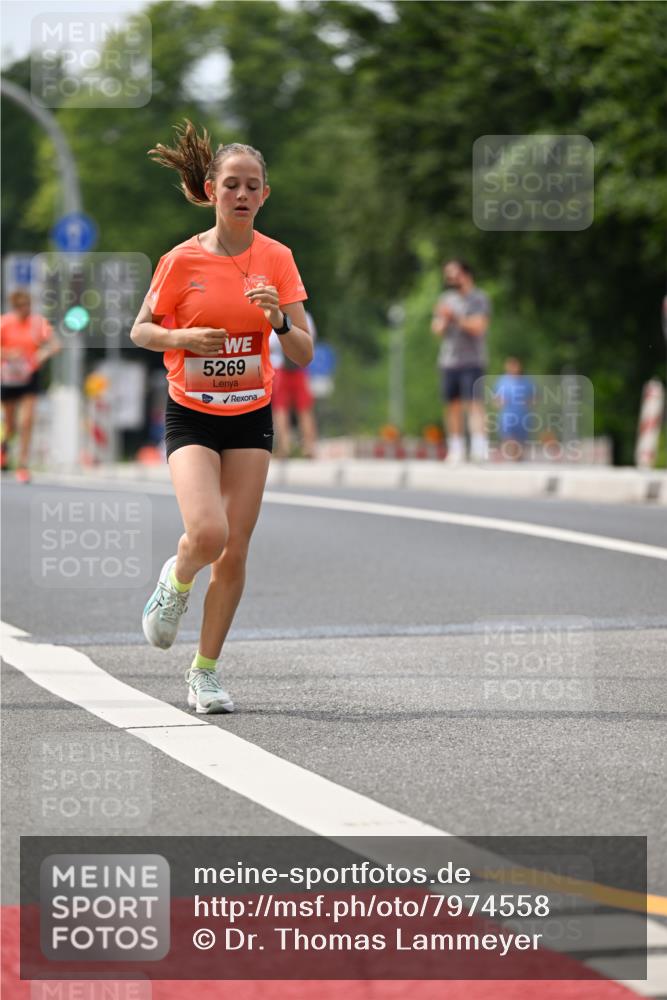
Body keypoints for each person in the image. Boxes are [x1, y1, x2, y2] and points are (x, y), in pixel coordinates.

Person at [130, 121, 312, 714]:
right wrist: (183, 336)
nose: (240, 194)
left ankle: (204, 672)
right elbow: (141, 330)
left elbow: (303, 349)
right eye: (230, 183)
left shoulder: (277, 259)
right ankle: (176, 579)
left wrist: (279, 322)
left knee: (234, 549)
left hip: (251, 415)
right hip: (192, 414)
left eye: (251, 185)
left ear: (264, 195)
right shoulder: (180, 261)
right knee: (207, 534)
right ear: (210, 189)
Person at [431, 259, 490, 463]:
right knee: (452, 406)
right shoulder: (445, 299)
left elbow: (479, 326)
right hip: (449, 361)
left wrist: (455, 317)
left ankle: (479, 447)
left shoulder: (479, 298)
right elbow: (436, 329)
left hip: (472, 360)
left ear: (465, 274)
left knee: (474, 404)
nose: (450, 279)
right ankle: (456, 448)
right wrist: (444, 319)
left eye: (453, 275)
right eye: (447, 275)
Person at [0, 288, 61, 482]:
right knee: (10, 425)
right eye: (19, 306)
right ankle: (4, 448)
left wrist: (42, 354)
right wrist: (8, 354)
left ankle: (23, 464)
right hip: (9, 376)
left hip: (30, 376)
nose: (23, 309)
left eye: (26, 305)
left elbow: (55, 345)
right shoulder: (5, 323)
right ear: (14, 307)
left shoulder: (37, 323)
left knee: (27, 421)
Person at [270, 310, 318, 458]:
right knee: (284, 407)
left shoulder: (271, 314)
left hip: (292, 366)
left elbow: (270, 342)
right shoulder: (304, 315)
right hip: (288, 366)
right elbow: (310, 338)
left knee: (293, 407)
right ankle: (289, 446)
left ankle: (301, 446)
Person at [492, 357, 536, 461]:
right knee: (509, 437)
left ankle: (518, 458)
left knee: (521, 440)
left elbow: (535, 397)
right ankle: (510, 456)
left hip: (522, 414)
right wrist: (500, 402)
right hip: (507, 414)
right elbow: (495, 398)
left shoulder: (527, 381)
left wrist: (529, 402)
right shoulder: (501, 381)